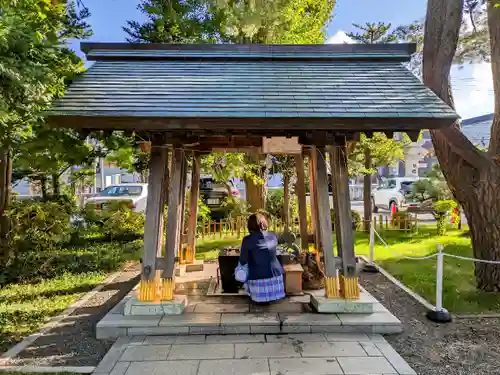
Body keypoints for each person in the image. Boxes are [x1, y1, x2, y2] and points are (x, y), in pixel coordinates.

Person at [239, 213, 285, 304]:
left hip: (258, 281)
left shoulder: (247, 240)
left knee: (241, 268)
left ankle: (251, 291)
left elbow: (243, 260)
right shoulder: (273, 236)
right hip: (277, 278)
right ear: (264, 223)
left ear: (249, 226)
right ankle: (273, 295)